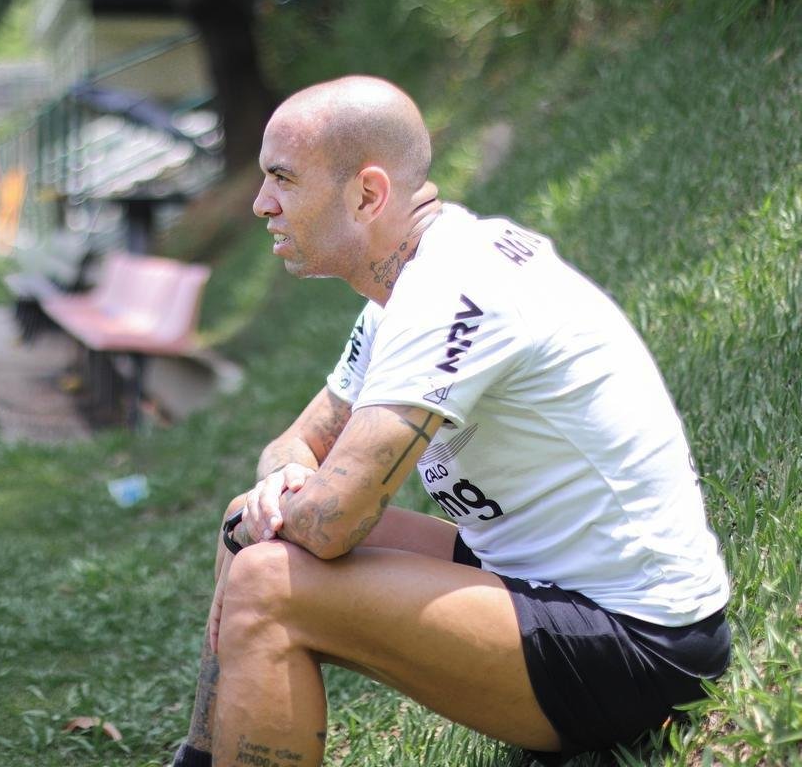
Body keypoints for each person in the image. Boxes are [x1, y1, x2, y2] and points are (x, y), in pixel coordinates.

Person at [172, 75, 731, 767]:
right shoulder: (401, 295)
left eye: (282, 179)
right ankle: (196, 758)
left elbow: (333, 520)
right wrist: (283, 479)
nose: (261, 204)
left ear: (367, 195)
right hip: (538, 588)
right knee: (243, 524)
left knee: (269, 583)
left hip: (642, 646)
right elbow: (294, 444)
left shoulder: (452, 290)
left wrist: (292, 501)